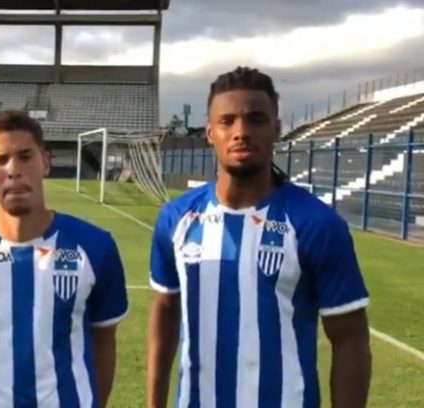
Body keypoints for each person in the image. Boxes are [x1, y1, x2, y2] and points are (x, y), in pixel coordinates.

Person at [146, 67, 372, 408]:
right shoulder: (176, 219)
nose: (241, 132)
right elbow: (165, 313)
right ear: (209, 131)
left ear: (276, 130)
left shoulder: (316, 223)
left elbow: (351, 339)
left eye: (256, 120)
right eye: (227, 121)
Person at [0, 109, 129, 408]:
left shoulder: (96, 247)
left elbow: (104, 339)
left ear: (45, 162)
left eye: (25, 156)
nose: (13, 170)